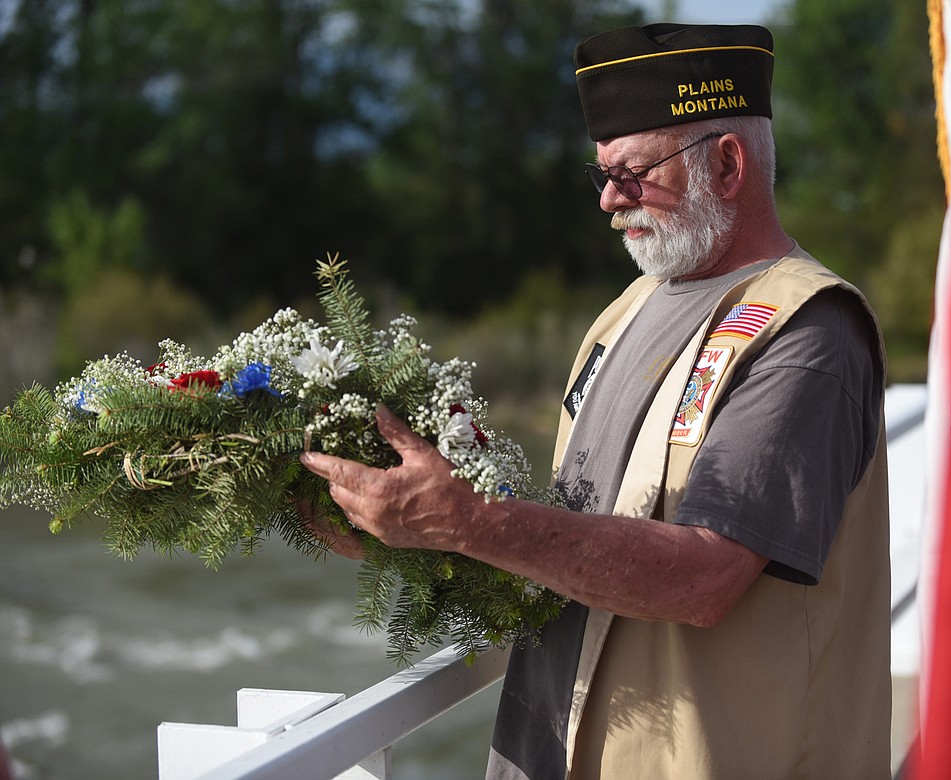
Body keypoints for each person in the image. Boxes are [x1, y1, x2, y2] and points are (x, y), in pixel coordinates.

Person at [302, 22, 891, 779]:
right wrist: (406, 523)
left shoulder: (810, 331)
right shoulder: (624, 313)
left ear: (728, 163)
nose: (611, 198)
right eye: (602, 173)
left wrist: (470, 519)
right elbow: (560, 539)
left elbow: (706, 577)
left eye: (635, 170)